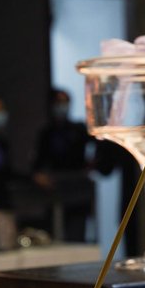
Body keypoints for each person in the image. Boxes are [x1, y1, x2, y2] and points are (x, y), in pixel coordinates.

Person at [32, 89, 94, 241]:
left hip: (77, 187)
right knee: (56, 232)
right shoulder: (47, 133)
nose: (62, 106)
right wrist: (40, 176)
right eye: (59, 102)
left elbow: (99, 146)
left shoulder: (78, 129)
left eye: (65, 102)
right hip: (55, 187)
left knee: (77, 232)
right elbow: (38, 163)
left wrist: (92, 165)